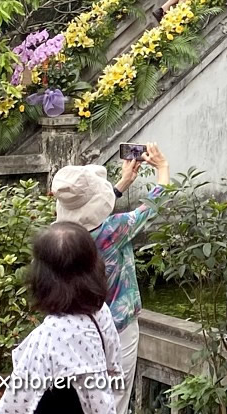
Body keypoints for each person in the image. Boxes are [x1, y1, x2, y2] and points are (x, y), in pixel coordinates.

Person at [52, 144, 171, 414]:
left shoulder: (60, 234)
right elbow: (153, 205)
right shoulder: (114, 230)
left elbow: (90, 215)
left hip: (77, 329)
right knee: (115, 400)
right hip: (118, 327)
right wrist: (162, 167)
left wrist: (121, 185)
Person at [0, 222, 122, 414]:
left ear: (42, 277)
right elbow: (113, 367)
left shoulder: (49, 336)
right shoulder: (100, 312)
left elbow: (16, 403)